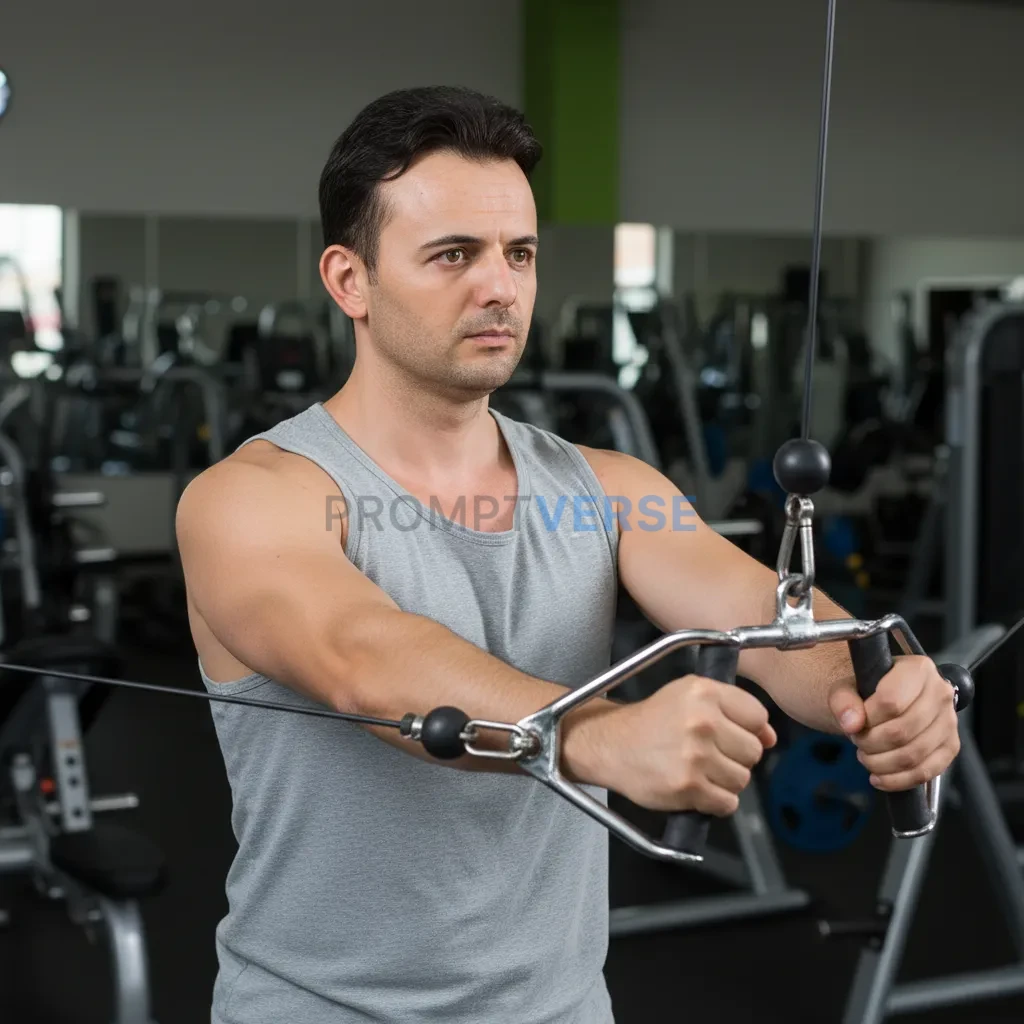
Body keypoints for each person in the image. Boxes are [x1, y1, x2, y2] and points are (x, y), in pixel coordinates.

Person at [175, 86, 961, 1024]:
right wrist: (595, 736)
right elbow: (360, 655)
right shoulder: (252, 498)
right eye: (453, 255)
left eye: (519, 253)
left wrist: (877, 685)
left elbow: (765, 614)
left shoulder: (614, 492)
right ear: (350, 280)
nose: (499, 286)